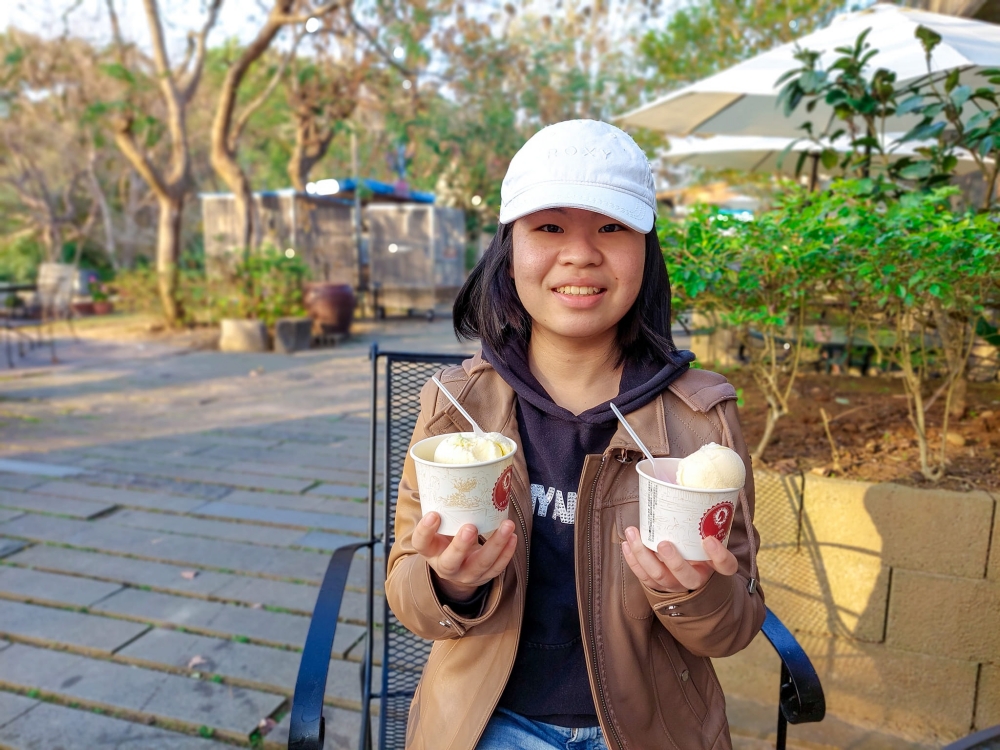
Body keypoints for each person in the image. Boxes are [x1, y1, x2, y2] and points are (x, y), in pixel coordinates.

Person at [386, 119, 764, 750]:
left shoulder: (701, 417)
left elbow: (734, 626)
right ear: (510, 248)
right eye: (550, 227)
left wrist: (692, 592)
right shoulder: (458, 405)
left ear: (647, 250)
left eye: (612, 228)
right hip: (488, 724)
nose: (581, 253)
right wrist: (451, 583)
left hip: (650, 731)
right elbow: (407, 591)